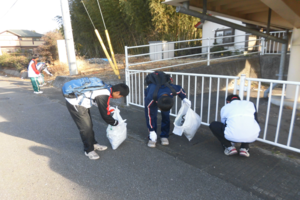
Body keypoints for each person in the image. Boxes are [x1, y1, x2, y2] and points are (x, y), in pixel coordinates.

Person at [65, 82, 129, 160]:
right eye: (120, 96)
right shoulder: (104, 94)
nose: (119, 98)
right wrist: (115, 123)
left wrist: (109, 108)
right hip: (75, 103)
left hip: (83, 103)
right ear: (117, 92)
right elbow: (105, 115)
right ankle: (88, 150)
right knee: (85, 128)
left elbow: (97, 100)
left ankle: (93, 144)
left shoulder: (108, 88)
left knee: (89, 125)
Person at [144, 71, 191, 148]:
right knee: (152, 115)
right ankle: (152, 137)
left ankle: (164, 136)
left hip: (163, 95)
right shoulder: (150, 98)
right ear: (157, 104)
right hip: (153, 94)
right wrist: (151, 131)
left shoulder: (172, 90)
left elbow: (180, 89)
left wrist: (184, 98)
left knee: (166, 116)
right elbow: (148, 116)